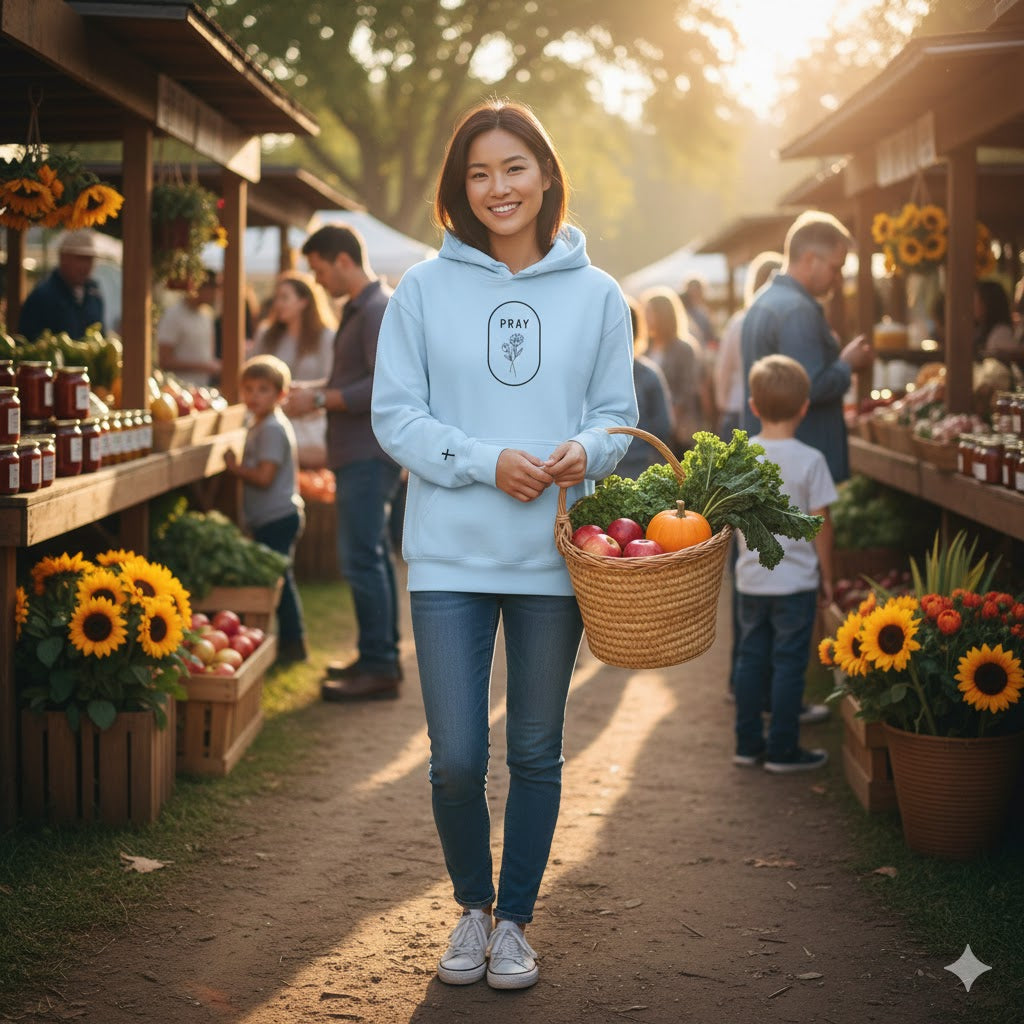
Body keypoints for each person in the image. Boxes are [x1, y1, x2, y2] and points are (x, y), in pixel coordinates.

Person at [370, 99, 637, 991]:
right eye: (479, 173)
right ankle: (471, 906)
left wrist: (584, 452)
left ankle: (515, 919)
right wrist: (486, 461)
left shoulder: (599, 294)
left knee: (533, 749)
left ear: (548, 173)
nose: (498, 188)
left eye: (514, 167)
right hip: (448, 553)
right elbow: (395, 416)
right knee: (454, 757)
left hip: (551, 560)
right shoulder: (420, 290)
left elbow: (615, 416)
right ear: (460, 187)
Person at [288, 224, 402, 701]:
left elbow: (383, 386)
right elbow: (353, 377)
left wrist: (318, 402)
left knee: (359, 559)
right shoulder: (364, 309)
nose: (317, 282)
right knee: (371, 555)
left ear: (342, 260)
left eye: (317, 271)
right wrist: (313, 390)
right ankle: (380, 657)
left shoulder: (375, 310)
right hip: (363, 452)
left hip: (367, 454)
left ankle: (378, 666)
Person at [733, 354, 836, 773]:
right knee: (790, 664)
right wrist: (828, 575)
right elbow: (821, 525)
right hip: (795, 583)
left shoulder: (743, 458)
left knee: (750, 661)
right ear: (804, 407)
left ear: (754, 406)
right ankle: (782, 749)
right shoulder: (811, 460)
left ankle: (746, 743)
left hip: (751, 580)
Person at [740, 210, 874, 485]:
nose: (838, 279)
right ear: (811, 260)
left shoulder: (764, 299)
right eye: (835, 268)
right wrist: (847, 363)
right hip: (796, 463)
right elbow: (808, 386)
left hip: (772, 457)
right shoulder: (797, 310)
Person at [223, 355, 308, 665]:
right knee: (279, 579)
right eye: (248, 389)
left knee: (279, 582)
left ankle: (293, 643)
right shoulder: (259, 423)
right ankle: (288, 641)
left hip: (278, 518)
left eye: (263, 389)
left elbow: (264, 476)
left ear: (281, 395)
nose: (254, 396)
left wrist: (235, 469)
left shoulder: (271, 428)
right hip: (271, 516)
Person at [252, 271, 337, 468]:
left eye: (285, 298)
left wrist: (306, 394)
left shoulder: (326, 336)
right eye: (277, 298)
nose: (278, 304)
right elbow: (253, 372)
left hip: (313, 423)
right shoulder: (266, 334)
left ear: (304, 301)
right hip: (272, 417)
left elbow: (333, 379)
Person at [714, 251, 782, 440]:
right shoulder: (776, 322)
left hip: (735, 408)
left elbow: (723, 371)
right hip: (769, 414)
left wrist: (724, 405)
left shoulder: (738, 322)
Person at [641, 286, 704, 455]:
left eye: (650, 312)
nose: (645, 317)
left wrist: (668, 415)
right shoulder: (645, 349)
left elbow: (686, 389)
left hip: (679, 430)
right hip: (652, 428)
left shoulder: (684, 349)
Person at [616, 296, 673, 479]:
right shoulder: (649, 373)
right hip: (635, 468)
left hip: (637, 468)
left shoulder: (648, 375)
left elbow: (663, 426)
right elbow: (663, 425)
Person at [18, 229, 105, 340]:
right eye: (80, 258)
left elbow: (102, 337)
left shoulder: (95, 295)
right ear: (63, 258)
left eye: (89, 259)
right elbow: (27, 343)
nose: (86, 266)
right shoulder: (42, 297)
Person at [157, 270, 221, 386]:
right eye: (213, 289)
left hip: (203, 389)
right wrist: (203, 367)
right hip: (178, 389)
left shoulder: (207, 316)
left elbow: (208, 356)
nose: (216, 294)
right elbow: (164, 361)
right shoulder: (173, 315)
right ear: (200, 287)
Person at [680, 275, 717, 349]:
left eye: (697, 289)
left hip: (703, 350)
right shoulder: (682, 312)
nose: (694, 293)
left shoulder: (705, 312)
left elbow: (710, 335)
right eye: (692, 290)